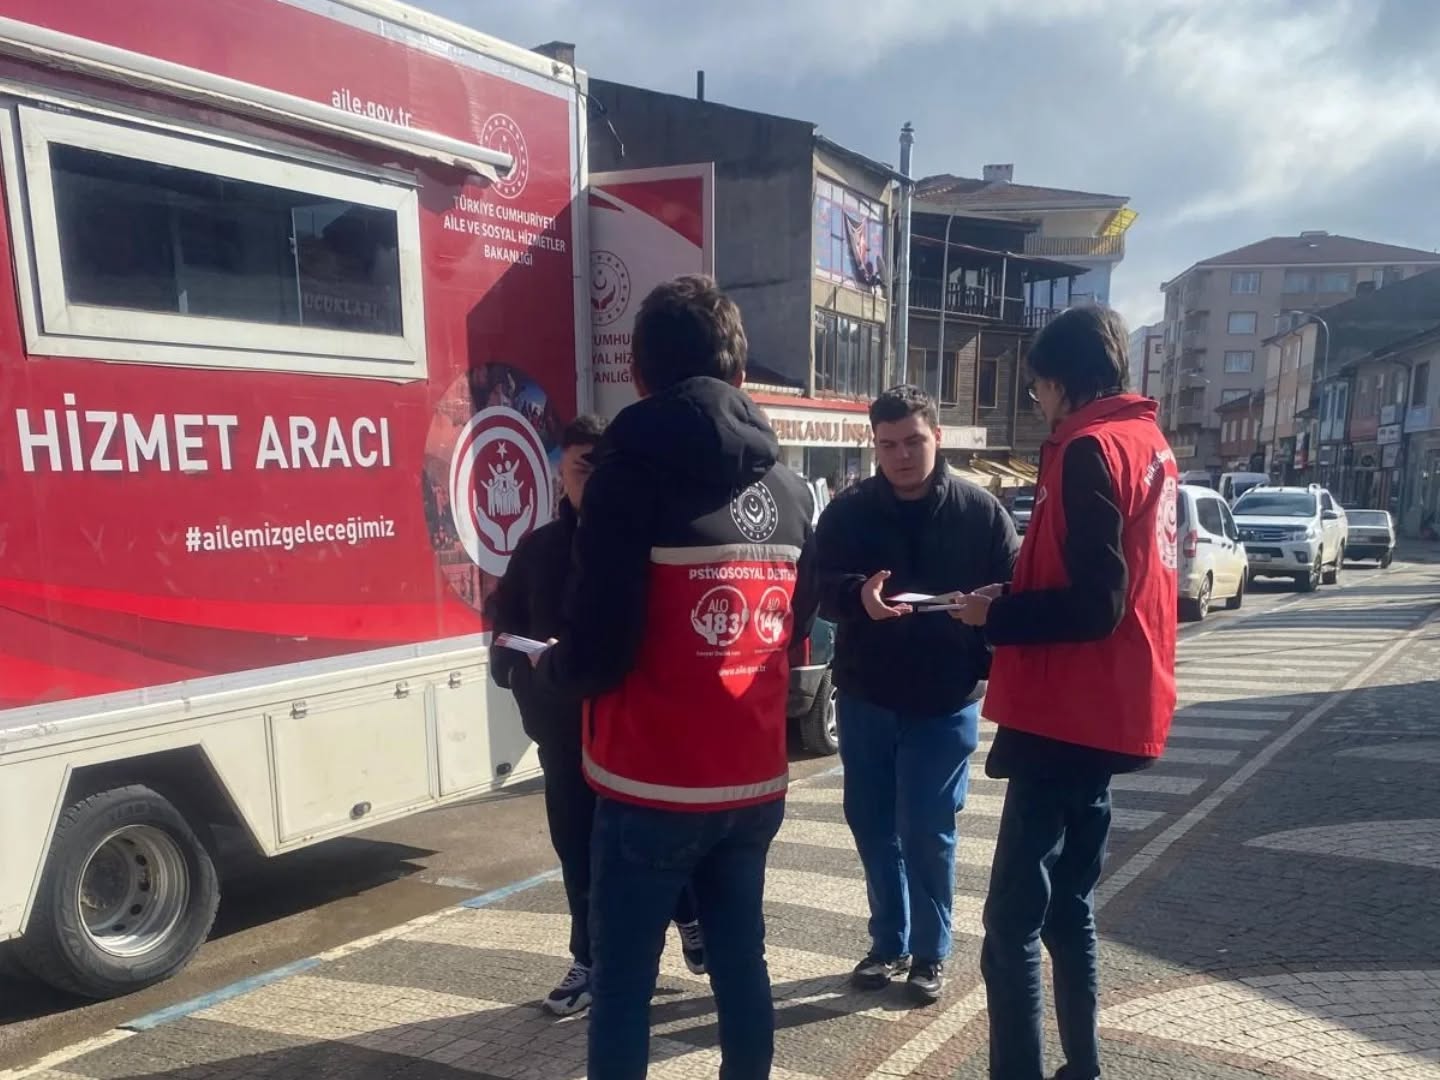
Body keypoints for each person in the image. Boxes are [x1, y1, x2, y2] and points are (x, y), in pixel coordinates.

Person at [532, 274, 817, 1079]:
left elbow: (597, 645)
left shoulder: (627, 480)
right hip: (753, 783)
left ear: (643, 377)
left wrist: (549, 672)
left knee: (624, 984)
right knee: (740, 969)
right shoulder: (790, 492)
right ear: (738, 376)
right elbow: (794, 628)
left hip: (648, 782)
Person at [949, 305, 1178, 1080]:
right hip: (1114, 706)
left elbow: (1096, 601)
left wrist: (998, 616)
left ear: (1057, 381)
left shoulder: (1086, 449)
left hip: (1069, 711)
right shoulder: (1146, 443)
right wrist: (1010, 588)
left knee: (1008, 925)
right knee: (1068, 910)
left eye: (1037, 390)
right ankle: (1082, 1068)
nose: (1036, 404)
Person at [486, 416, 706, 1017]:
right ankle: (587, 960)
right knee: (578, 853)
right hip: (565, 736)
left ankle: (688, 914)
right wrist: (514, 672)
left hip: (638, 734)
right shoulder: (539, 549)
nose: (597, 479)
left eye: (608, 466)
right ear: (560, 468)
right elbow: (500, 621)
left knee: (657, 847)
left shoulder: (648, 541)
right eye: (585, 466)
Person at [813, 384, 1019, 1005]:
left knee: (927, 827)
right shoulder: (847, 513)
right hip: (867, 695)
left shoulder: (981, 512)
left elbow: (1014, 589)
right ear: (873, 445)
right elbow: (817, 588)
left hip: (945, 698)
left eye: (914, 442)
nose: (901, 455)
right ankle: (889, 941)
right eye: (888, 444)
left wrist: (985, 623)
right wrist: (857, 597)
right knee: (872, 823)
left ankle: (931, 952)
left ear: (938, 437)